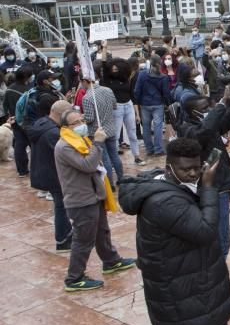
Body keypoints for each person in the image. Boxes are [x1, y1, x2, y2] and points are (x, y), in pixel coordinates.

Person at [118, 138, 230, 325]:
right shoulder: (165, 201)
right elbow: (207, 230)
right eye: (186, 170)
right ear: (170, 167)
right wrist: (208, 187)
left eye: (197, 169)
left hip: (185, 284)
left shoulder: (173, 187)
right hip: (184, 292)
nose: (193, 175)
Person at [55, 108, 135, 292]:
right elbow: (88, 165)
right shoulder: (65, 145)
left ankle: (111, 261)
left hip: (93, 195)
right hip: (81, 200)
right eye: (76, 123)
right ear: (66, 127)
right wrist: (98, 144)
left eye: (81, 120)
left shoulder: (78, 140)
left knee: (102, 231)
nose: (81, 125)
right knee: (83, 240)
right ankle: (74, 278)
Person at [177, 89, 230, 261]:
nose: (210, 110)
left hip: (220, 185)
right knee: (220, 239)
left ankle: (216, 273)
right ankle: (216, 276)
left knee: (222, 237)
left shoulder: (208, 124)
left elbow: (229, 120)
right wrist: (221, 104)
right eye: (205, 108)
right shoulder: (189, 129)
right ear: (194, 112)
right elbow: (206, 131)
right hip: (210, 189)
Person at [28, 97, 74, 251]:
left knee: (61, 205)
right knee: (61, 206)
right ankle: (63, 240)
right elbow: (65, 155)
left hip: (44, 172)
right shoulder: (53, 132)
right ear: (61, 114)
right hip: (53, 174)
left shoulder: (41, 123)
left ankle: (66, 234)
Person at [105, 59, 144, 166]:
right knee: (116, 135)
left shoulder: (127, 79)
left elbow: (133, 96)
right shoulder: (108, 80)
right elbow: (104, 65)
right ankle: (115, 160)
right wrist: (103, 49)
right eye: (113, 69)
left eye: (116, 69)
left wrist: (137, 114)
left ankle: (136, 156)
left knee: (132, 133)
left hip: (129, 106)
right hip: (116, 107)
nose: (114, 71)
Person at [133, 54, 171, 156]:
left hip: (145, 104)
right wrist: (166, 103)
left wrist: (139, 101)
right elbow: (166, 93)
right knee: (158, 127)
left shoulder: (142, 74)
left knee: (146, 127)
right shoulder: (163, 77)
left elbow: (136, 91)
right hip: (158, 103)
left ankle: (149, 149)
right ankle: (158, 149)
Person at [4, 66, 32, 177]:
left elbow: (5, 105)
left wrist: (10, 115)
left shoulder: (9, 88)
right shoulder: (28, 90)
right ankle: (35, 168)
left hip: (14, 121)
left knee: (19, 145)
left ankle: (22, 170)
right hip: (28, 121)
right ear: (26, 77)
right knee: (33, 145)